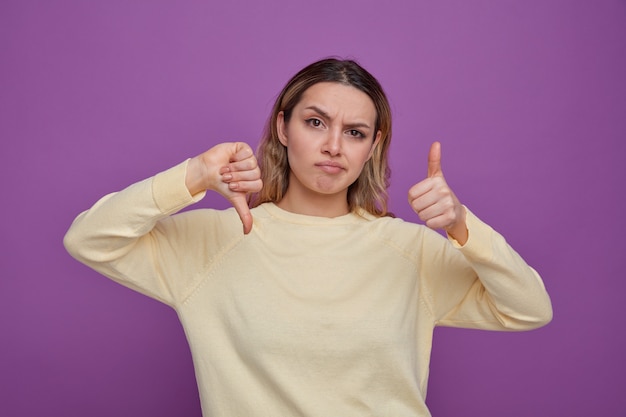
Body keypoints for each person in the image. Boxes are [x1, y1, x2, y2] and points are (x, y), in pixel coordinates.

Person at [64, 58, 552, 417]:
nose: (334, 146)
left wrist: (462, 226)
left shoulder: (411, 251)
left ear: (373, 146)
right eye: (315, 122)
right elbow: (88, 240)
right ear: (283, 126)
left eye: (356, 132)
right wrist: (191, 176)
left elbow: (529, 308)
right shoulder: (215, 241)